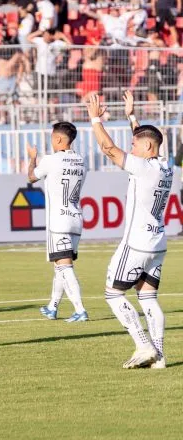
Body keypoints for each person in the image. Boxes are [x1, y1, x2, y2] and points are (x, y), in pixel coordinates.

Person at [87, 90, 169, 369]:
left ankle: (143, 345)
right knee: (148, 297)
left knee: (113, 294)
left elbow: (109, 149)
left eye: (134, 145)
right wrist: (131, 116)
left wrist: (96, 120)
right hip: (158, 242)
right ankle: (159, 356)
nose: (131, 147)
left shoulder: (144, 167)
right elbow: (146, 138)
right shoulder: (164, 165)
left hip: (136, 242)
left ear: (146, 149)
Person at [26, 122, 88, 322]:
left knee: (64, 266)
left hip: (59, 221)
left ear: (59, 139)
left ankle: (79, 310)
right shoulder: (81, 160)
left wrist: (33, 157)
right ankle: (52, 306)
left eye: (52, 137)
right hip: (76, 218)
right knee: (60, 266)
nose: (51, 141)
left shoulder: (51, 160)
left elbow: (31, 177)